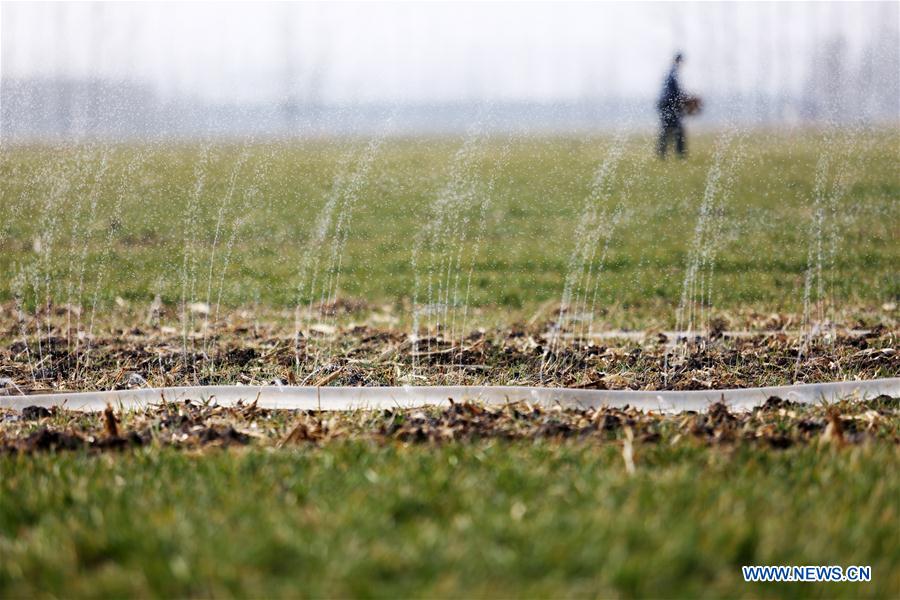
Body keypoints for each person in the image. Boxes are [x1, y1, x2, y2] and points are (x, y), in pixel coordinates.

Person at [657, 53, 686, 158]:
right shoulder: (673, 73)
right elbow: (676, 92)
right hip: (668, 104)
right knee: (676, 128)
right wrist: (683, 99)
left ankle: (662, 152)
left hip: (664, 103)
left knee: (667, 128)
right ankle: (679, 153)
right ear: (679, 61)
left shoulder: (671, 72)